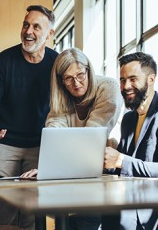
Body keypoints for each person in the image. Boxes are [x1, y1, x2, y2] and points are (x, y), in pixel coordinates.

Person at [22, 47, 123, 230]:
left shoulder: (109, 88)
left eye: (80, 75)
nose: (76, 83)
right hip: (73, 174)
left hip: (101, 172)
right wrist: (46, 168)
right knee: (68, 221)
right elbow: (54, 133)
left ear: (88, 70)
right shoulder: (61, 98)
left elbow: (92, 136)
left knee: (86, 220)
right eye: (68, 78)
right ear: (61, 81)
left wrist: (54, 165)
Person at [0, 5, 58, 230]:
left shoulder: (57, 64)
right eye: (25, 24)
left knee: (32, 215)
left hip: (40, 146)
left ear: (49, 34)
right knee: (7, 213)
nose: (28, 31)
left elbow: (64, 107)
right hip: (5, 145)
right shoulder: (1, 62)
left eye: (36, 26)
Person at [103, 52, 158, 230]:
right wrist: (105, 160)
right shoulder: (128, 119)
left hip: (151, 208)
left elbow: (126, 162)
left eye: (133, 79)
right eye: (122, 80)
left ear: (151, 79)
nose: (126, 86)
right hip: (128, 200)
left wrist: (120, 160)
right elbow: (123, 164)